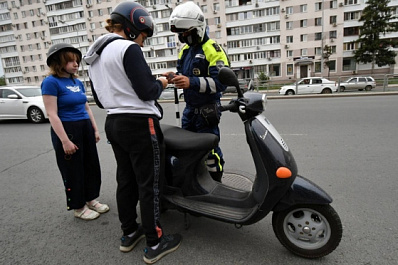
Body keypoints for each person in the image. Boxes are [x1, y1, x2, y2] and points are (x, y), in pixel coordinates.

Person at [83, 1, 181, 264]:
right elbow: (147, 92)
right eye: (143, 36)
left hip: (114, 122)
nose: (143, 42)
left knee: (126, 180)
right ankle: (155, 242)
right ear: (134, 26)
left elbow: (101, 101)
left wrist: (147, 84)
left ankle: (129, 233)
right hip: (140, 124)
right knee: (149, 183)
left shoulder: (95, 54)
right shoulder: (129, 48)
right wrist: (160, 81)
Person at [41, 43, 109, 221]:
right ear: (58, 62)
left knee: (91, 165)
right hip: (67, 129)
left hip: (84, 126)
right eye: (70, 60)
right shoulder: (50, 82)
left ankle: (91, 198)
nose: (76, 63)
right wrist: (64, 141)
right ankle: (78, 206)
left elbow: (86, 107)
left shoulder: (76, 82)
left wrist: (94, 129)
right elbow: (52, 114)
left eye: (77, 60)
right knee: (73, 169)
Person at [164, 1, 230, 182]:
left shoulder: (213, 50)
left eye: (186, 32)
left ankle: (216, 181)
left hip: (207, 111)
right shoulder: (185, 51)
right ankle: (193, 181)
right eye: (181, 34)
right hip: (190, 110)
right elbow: (183, 76)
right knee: (186, 149)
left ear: (198, 28)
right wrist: (173, 76)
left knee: (210, 151)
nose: (184, 37)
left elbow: (221, 83)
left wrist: (190, 82)